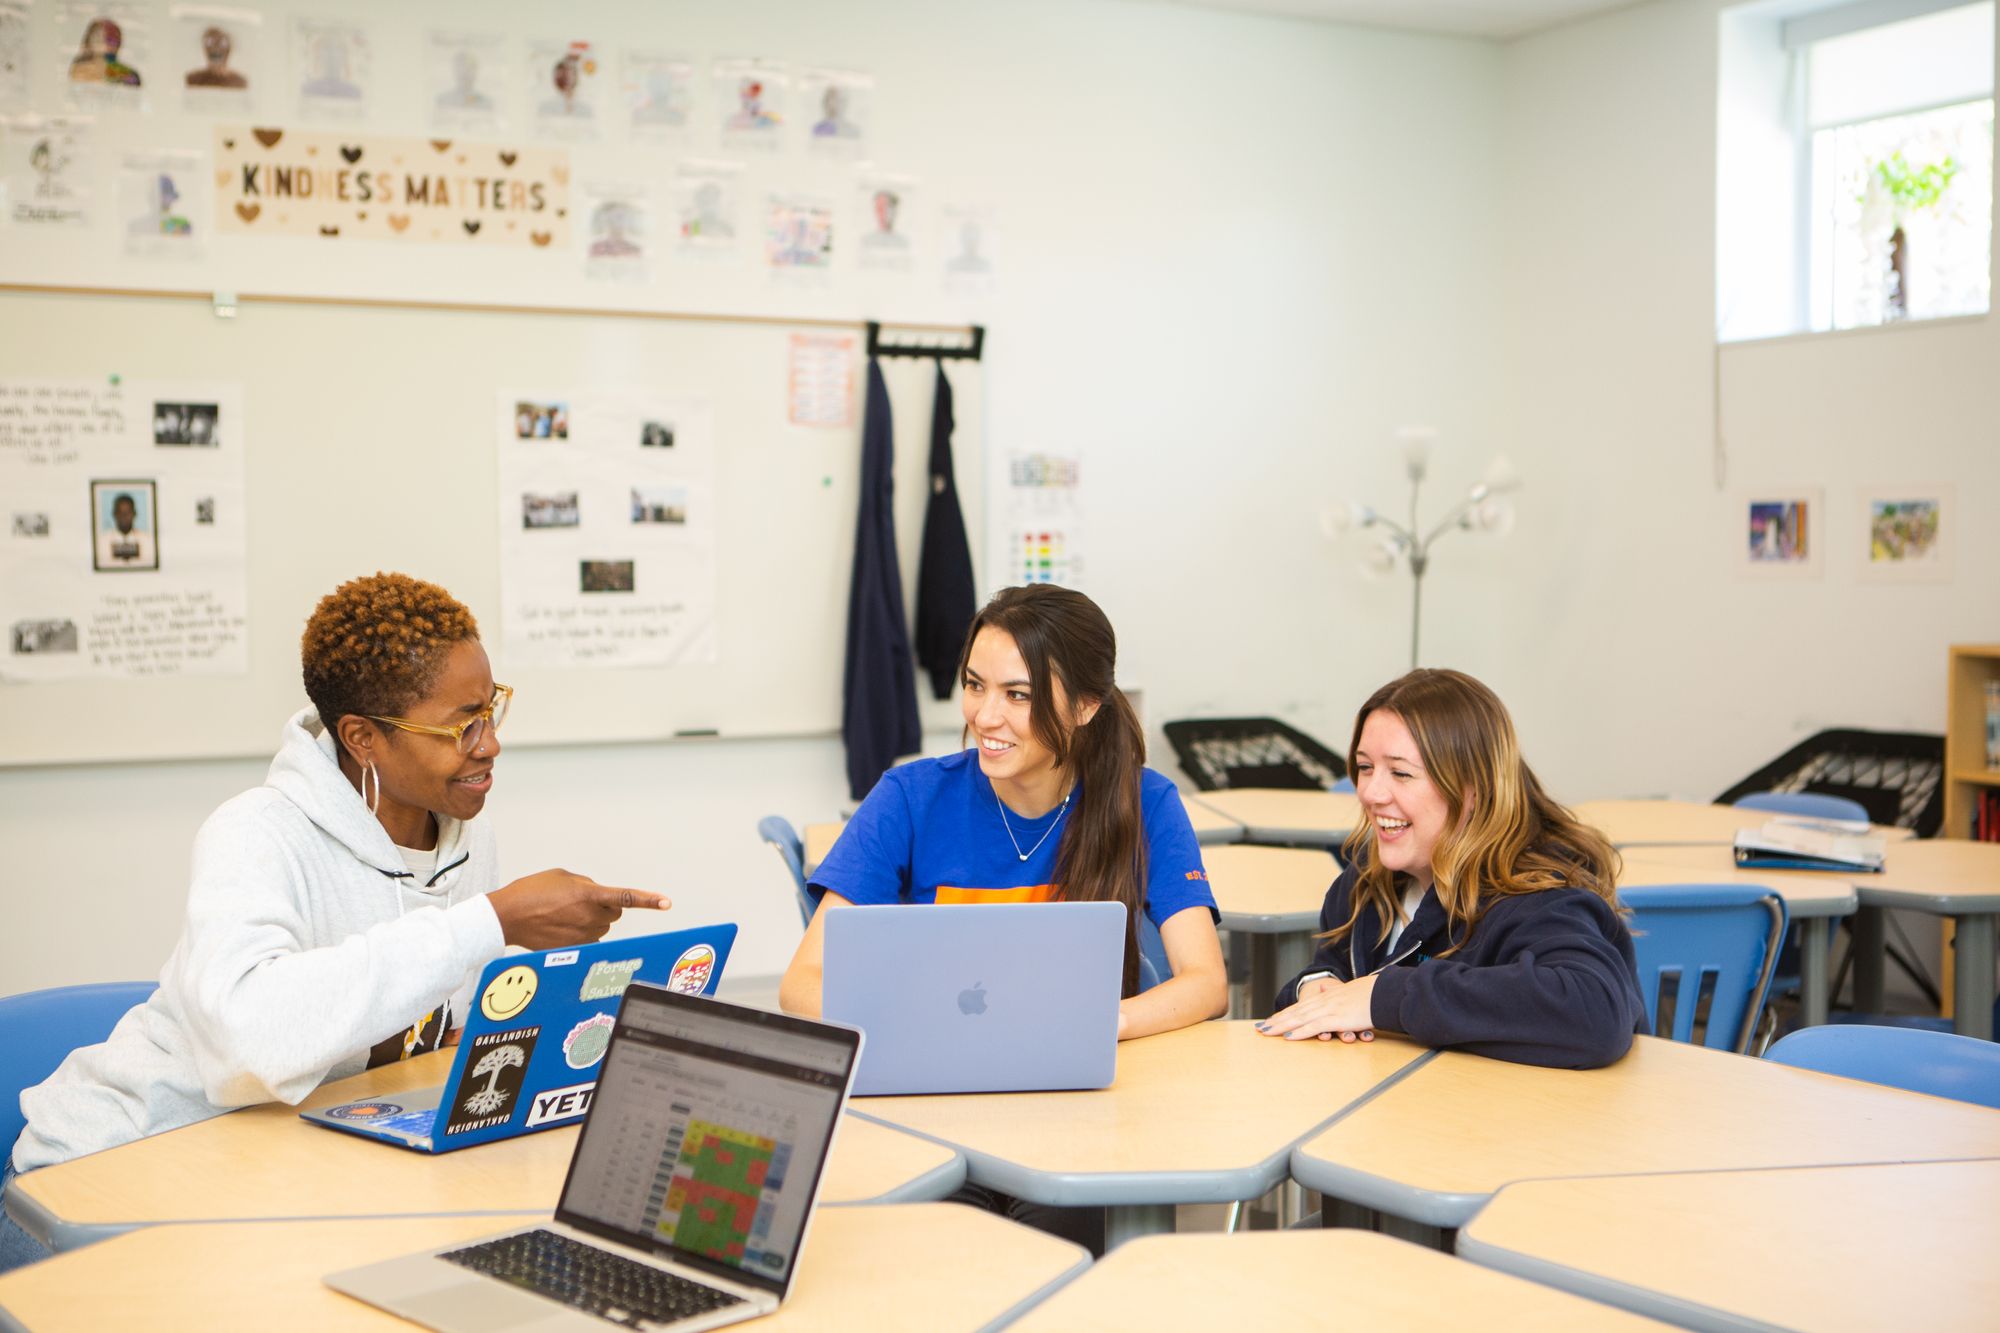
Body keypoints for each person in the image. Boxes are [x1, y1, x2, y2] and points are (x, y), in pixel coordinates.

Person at [1, 573, 667, 1272]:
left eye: (492, 708)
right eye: (460, 724)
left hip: (273, 1164)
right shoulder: (256, 833)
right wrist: (492, 921)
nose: (490, 743)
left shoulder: (468, 838)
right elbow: (251, 1041)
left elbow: (434, 1024)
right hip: (97, 1186)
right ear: (362, 737)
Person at [781, 583, 1227, 1035]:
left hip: (1079, 1074)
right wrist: (918, 1026)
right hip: (934, 1061)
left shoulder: (1146, 801)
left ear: (1086, 706)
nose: (984, 716)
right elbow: (803, 983)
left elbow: (1206, 983)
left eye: (1018, 695)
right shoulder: (908, 797)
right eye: (975, 685)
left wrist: (1100, 1025)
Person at [1257, 668, 1644, 1068]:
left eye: (1401, 773)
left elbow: (1595, 1009)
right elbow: (1339, 979)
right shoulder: (1364, 886)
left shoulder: (1538, 895)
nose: (1370, 793)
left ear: (1472, 789)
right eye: (1365, 767)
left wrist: (1385, 997)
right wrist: (1315, 986)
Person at [94, 491, 154, 569]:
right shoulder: (103, 541)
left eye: (128, 512)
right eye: (120, 512)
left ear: (134, 514)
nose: (124, 516)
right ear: (114, 514)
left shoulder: (146, 540)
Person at [184, 25, 246, 90]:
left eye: (222, 43)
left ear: (229, 49)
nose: (216, 47)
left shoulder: (239, 81)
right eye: (210, 42)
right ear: (204, 49)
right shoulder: (193, 79)